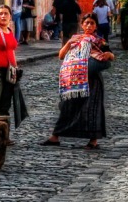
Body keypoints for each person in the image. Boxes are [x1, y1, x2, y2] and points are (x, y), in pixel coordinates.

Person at [40, 14, 114, 149]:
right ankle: (55, 137)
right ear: (82, 25)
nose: (89, 26)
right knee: (67, 106)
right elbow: (61, 55)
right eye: (86, 23)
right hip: (73, 81)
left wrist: (108, 55)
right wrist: (68, 43)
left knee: (92, 109)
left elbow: (111, 55)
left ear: (96, 26)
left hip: (92, 82)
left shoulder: (99, 41)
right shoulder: (75, 40)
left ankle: (93, 141)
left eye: (92, 23)